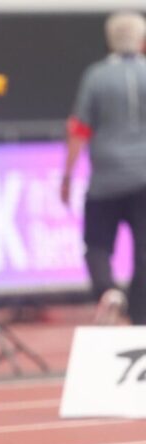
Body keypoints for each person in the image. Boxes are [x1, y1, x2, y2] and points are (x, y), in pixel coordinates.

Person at [61, 11, 146, 326]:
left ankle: (107, 291)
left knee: (96, 244)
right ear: (142, 40)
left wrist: (67, 176)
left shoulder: (96, 77)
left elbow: (79, 129)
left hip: (106, 178)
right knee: (144, 253)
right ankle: (140, 318)